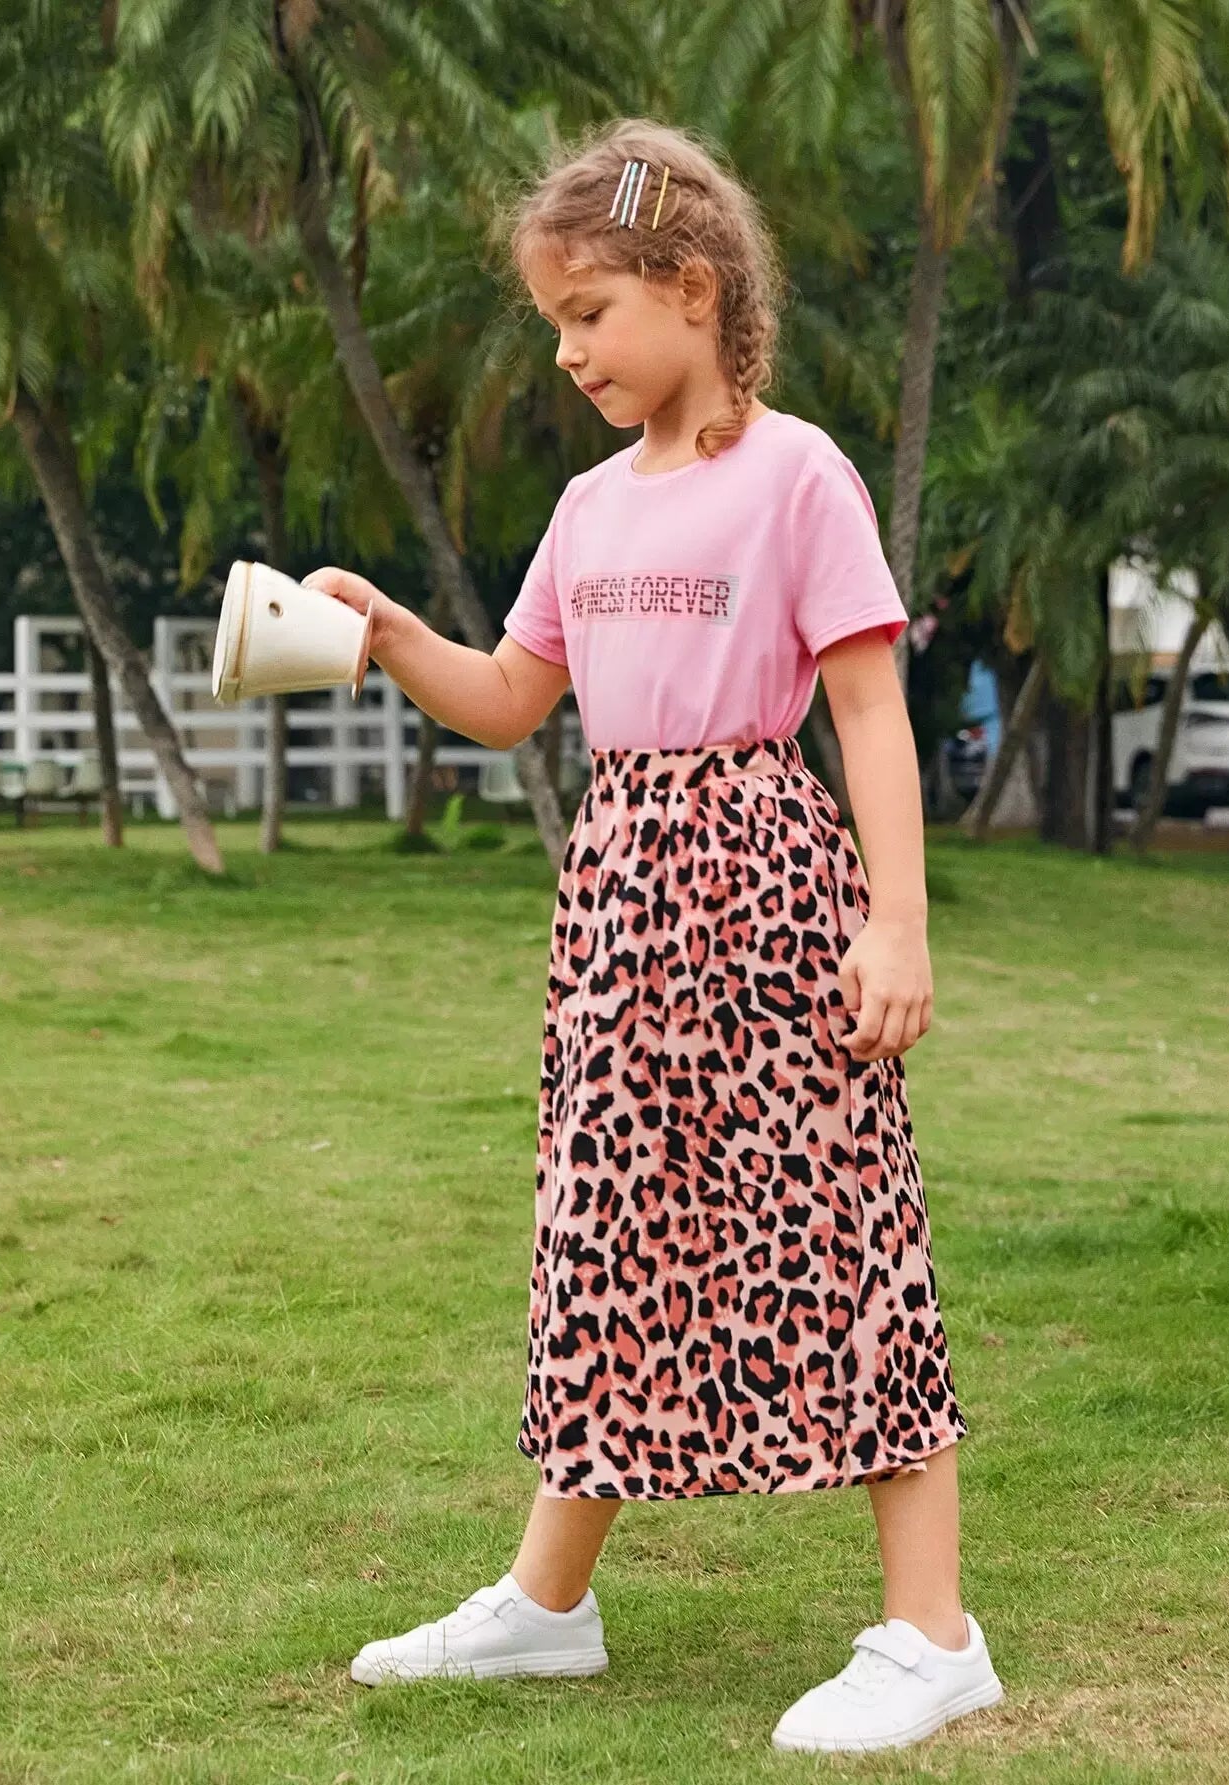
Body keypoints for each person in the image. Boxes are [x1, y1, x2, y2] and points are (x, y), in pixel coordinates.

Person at [302, 117, 1004, 1758]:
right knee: (604, 1238)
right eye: (555, 319)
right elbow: (510, 696)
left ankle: (933, 1633)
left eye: (590, 311)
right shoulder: (586, 507)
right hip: (618, 901)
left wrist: (898, 924)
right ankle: (547, 1606)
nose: (567, 350)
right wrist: (391, 634)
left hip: (770, 894)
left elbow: (868, 705)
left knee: (840, 1229)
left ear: (694, 288)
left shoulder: (800, 474)